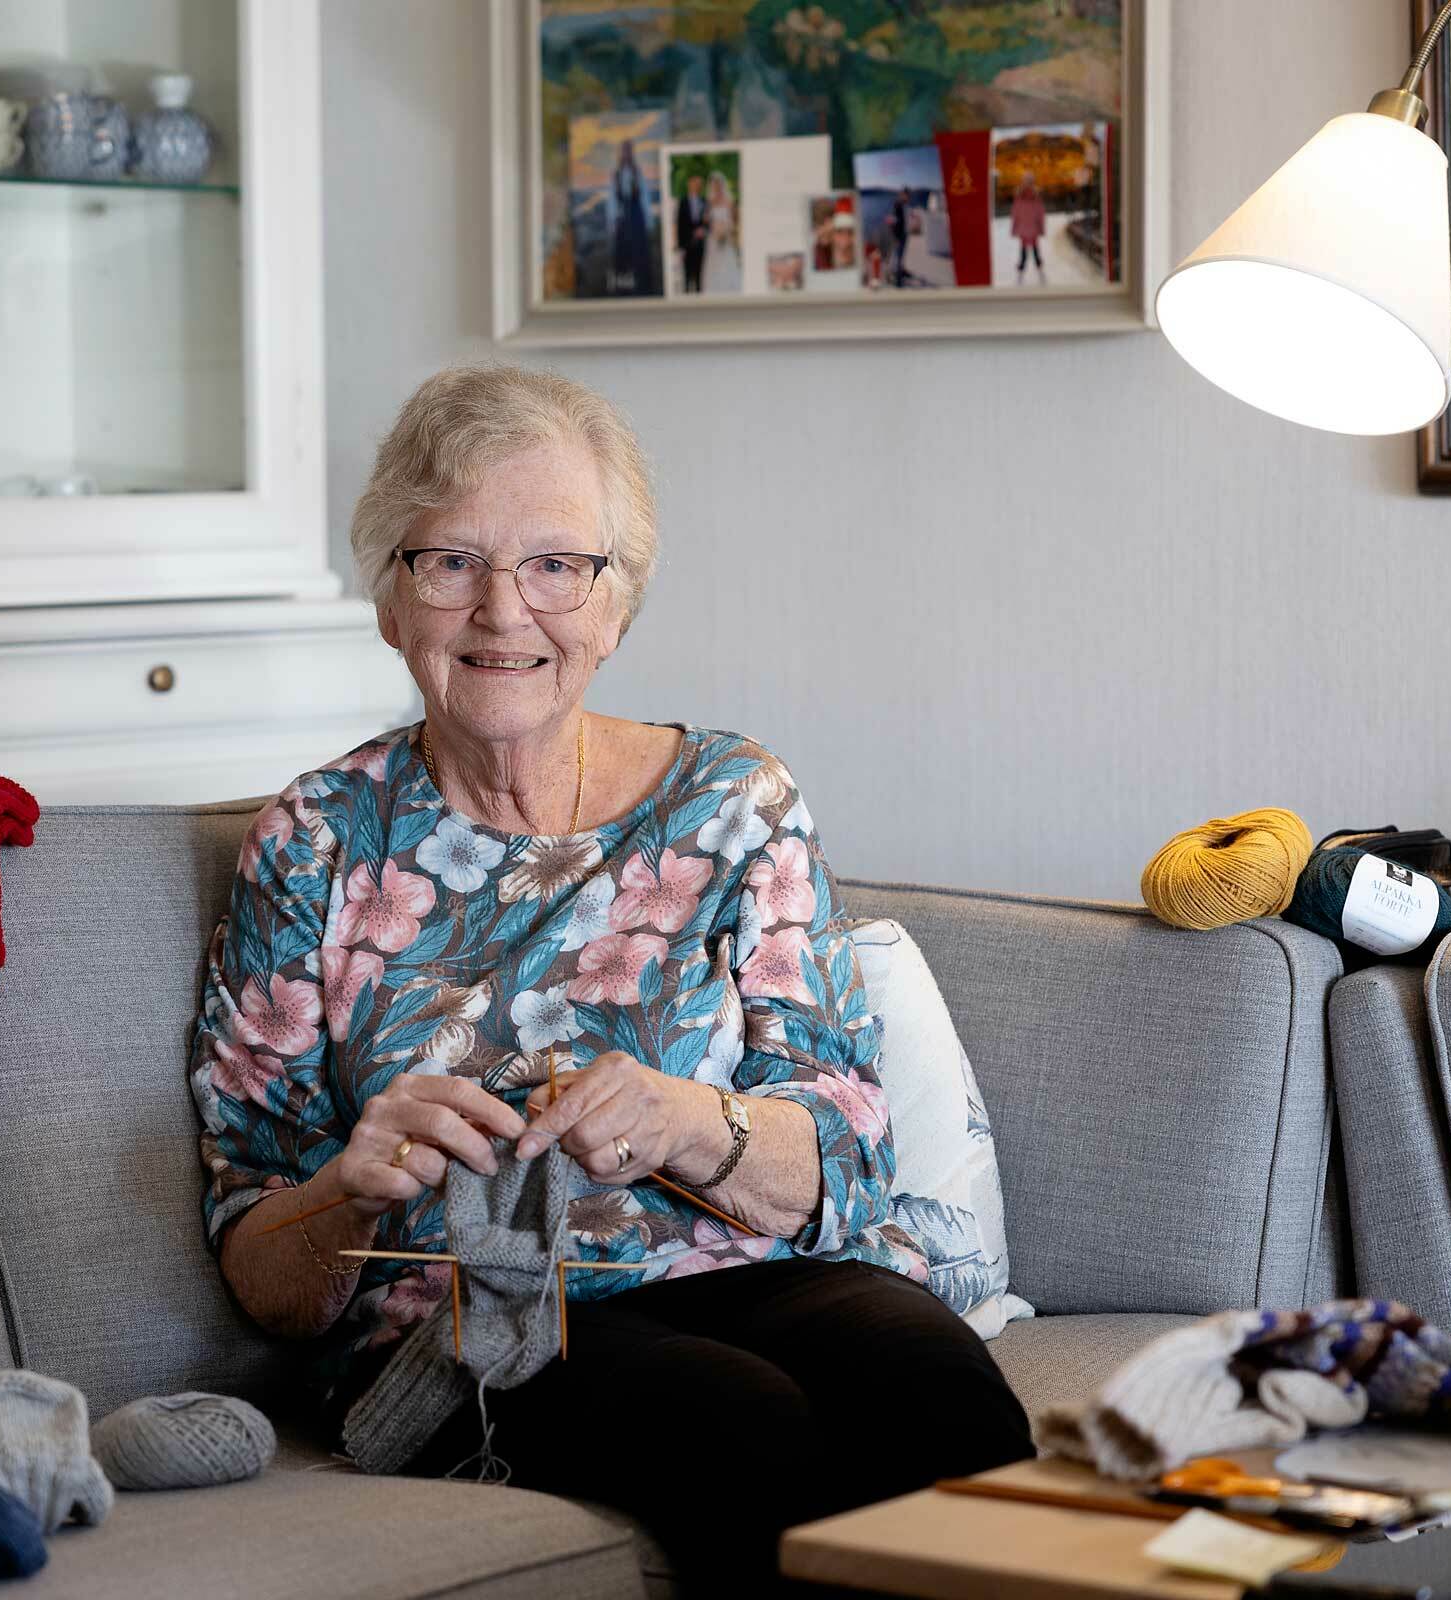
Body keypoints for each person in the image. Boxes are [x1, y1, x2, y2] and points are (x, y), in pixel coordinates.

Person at [190, 365, 1033, 1592]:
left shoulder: (734, 802)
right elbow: (260, 1263)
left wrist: (688, 1120)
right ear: (391, 601)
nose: (503, 612)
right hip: (468, 1325)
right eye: (451, 562)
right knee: (740, 1432)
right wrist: (349, 1188)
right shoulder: (314, 839)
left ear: (616, 603)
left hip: (753, 1276)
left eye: (554, 565)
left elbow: (844, 1163)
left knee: (939, 1392)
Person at [610, 140, 653, 294]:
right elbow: (612, 200)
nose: (626, 154)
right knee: (622, 252)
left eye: (629, 151)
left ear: (632, 153)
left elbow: (645, 197)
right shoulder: (616, 174)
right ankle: (623, 287)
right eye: (624, 151)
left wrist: (648, 222)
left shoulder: (637, 172)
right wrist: (613, 221)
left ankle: (642, 285)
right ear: (621, 153)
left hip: (636, 215)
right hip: (622, 216)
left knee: (639, 250)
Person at [704, 171, 741, 293]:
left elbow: (733, 221)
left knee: (726, 262)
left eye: (718, 184)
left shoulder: (729, 201)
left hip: (726, 237)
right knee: (714, 263)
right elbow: (707, 220)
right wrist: (713, 228)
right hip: (713, 238)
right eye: (714, 185)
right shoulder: (709, 202)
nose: (717, 187)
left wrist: (726, 230)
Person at [674, 172, 708, 292]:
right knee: (687, 276)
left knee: (699, 276)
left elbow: (707, 222)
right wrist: (680, 247)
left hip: (700, 244)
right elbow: (679, 224)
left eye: (698, 184)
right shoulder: (683, 202)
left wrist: (703, 230)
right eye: (694, 183)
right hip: (687, 244)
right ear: (689, 184)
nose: (696, 186)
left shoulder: (704, 201)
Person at [1012, 171, 1048, 284]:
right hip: (1026, 228)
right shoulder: (1021, 196)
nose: (1027, 183)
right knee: (1027, 251)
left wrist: (1041, 227)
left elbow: (1040, 213)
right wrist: (1014, 227)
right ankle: (1023, 273)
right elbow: (1015, 213)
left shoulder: (1035, 197)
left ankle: (1036, 272)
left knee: (1032, 251)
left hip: (1030, 228)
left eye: (1029, 181)